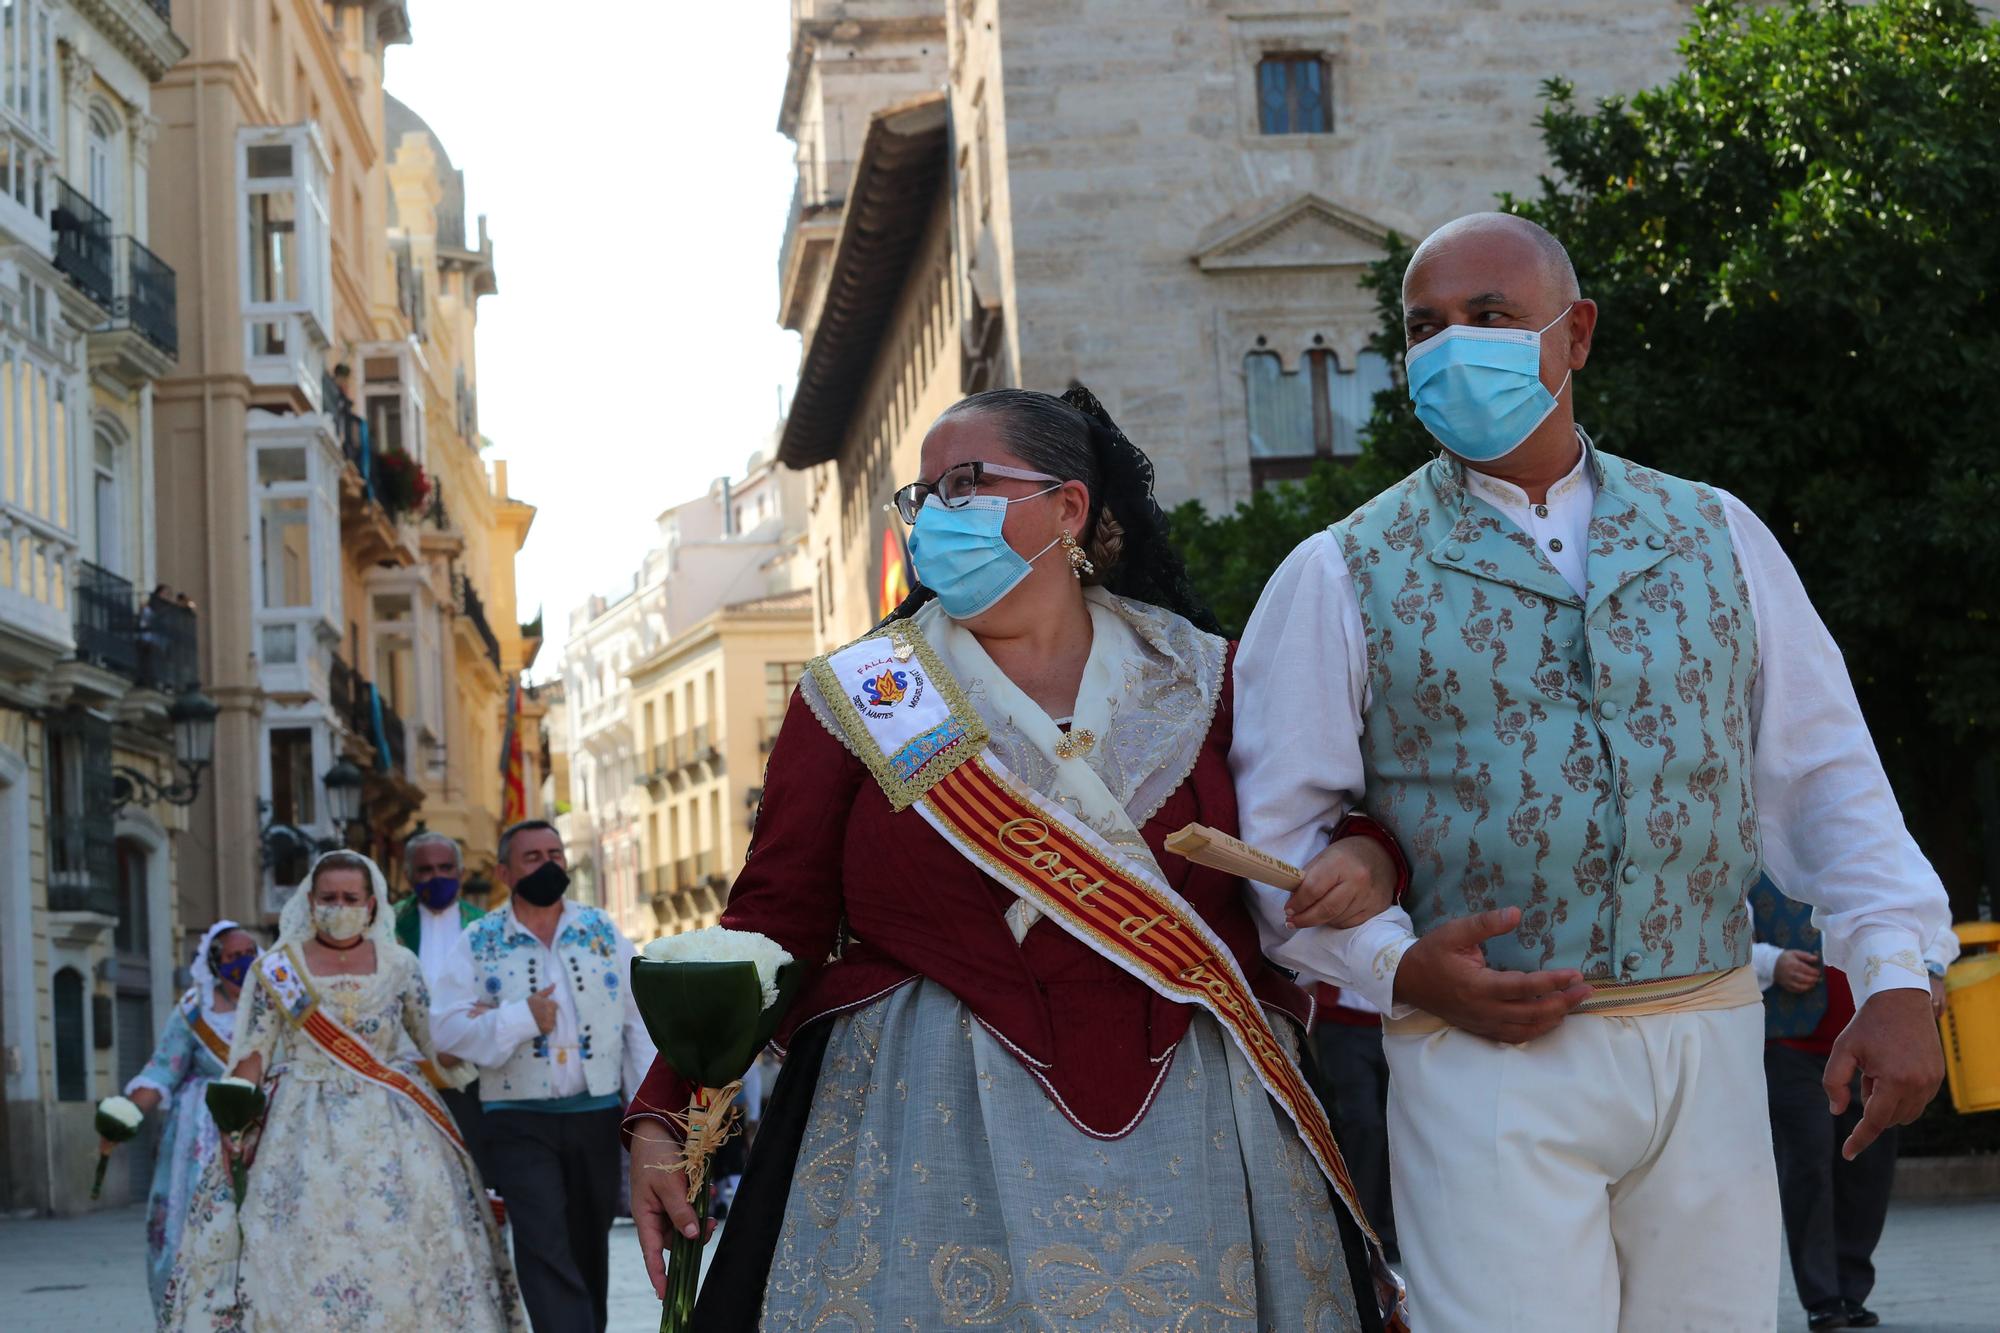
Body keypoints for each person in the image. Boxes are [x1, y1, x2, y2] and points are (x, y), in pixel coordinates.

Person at [1230, 212, 1952, 1331]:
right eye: (1423, 326)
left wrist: (1897, 975)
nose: (1449, 346)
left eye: (1489, 317)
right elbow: (1277, 843)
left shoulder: (1716, 532)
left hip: (1706, 1036)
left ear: (1575, 336)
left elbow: (1826, 777)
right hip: (1481, 1059)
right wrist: (1396, 967)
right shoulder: (1334, 571)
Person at [626, 386, 1410, 1331]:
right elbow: (771, 923)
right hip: (926, 1123)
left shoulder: (1207, 674)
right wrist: (668, 1109)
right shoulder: (862, 695)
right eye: (924, 498)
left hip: (1202, 1117)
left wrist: (1369, 855)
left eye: (968, 483)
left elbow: (1321, 820)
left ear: (1069, 507)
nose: (934, 516)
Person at [160, 851, 525, 1331]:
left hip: (396, 1123)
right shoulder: (276, 967)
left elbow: (436, 1046)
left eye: (350, 898)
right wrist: (234, 1107)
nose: (339, 906)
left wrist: (490, 1024)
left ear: (371, 904)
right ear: (310, 902)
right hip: (298, 1122)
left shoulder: (399, 964)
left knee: (407, 1243)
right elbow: (253, 1053)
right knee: (303, 1243)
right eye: (328, 897)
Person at [432, 819, 657, 1333]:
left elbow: (637, 1018)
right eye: (533, 857)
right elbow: (444, 1030)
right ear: (504, 872)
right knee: (541, 1242)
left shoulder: (600, 929)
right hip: (517, 1119)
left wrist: (649, 1108)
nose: (549, 863)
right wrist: (519, 1019)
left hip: (595, 1114)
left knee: (587, 1243)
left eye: (555, 853)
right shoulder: (480, 938)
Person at [1750, 876, 1957, 1331]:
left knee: (1868, 1169)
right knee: (1808, 1168)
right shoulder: (1756, 852)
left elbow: (1933, 919)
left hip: (1877, 1046)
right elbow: (1718, 937)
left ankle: (1851, 1289)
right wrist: (1771, 961)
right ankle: (1823, 1299)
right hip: (1792, 1047)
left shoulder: (1870, 847)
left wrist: (1933, 971)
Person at [115, 921, 258, 1315]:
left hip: (256, 1125)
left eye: (249, 954)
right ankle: (191, 1309)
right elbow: (164, 1067)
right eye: (233, 956)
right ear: (215, 962)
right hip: (200, 1132)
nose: (243, 962)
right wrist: (125, 1114)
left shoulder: (271, 1003)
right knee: (194, 1222)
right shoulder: (194, 1010)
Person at [396, 830, 487, 1164]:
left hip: (471, 1073)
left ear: (460, 874)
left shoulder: (485, 927)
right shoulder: (389, 926)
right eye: (426, 870)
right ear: (408, 876)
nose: (437, 876)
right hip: (410, 1071)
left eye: (445, 868)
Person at [1311, 984, 1399, 1263]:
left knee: (1396, 1125)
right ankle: (1363, 1228)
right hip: (1342, 1023)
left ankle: (1390, 1231)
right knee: (1362, 1123)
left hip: (1396, 1023)